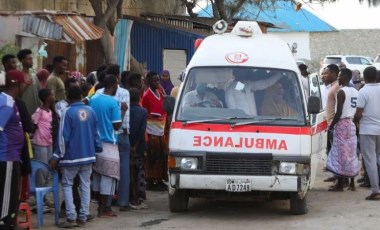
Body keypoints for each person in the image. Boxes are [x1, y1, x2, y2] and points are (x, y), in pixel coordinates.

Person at [50, 85, 101, 227]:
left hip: (72, 156)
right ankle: (83, 216)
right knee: (85, 185)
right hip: (88, 155)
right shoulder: (91, 111)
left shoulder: (67, 112)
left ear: (67, 96)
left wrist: (56, 156)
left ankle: (71, 217)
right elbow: (97, 133)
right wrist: (96, 150)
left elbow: (62, 137)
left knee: (67, 184)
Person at [97, 64, 130, 212]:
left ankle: (105, 203)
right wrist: (122, 113)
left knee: (102, 172)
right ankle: (122, 202)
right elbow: (121, 121)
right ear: (117, 78)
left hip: (98, 138)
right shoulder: (123, 93)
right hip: (118, 135)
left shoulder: (97, 93)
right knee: (120, 171)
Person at [89, 75, 122, 217]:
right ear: (114, 86)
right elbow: (116, 125)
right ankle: (103, 209)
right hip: (108, 143)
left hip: (93, 142)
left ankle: (99, 206)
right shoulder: (113, 103)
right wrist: (123, 110)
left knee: (97, 174)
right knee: (108, 176)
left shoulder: (93, 99)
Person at [326, 68, 359, 191]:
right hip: (351, 124)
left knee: (340, 154)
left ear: (345, 77)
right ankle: (352, 183)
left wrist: (332, 125)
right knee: (351, 153)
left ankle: (340, 184)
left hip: (341, 124)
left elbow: (338, 112)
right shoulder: (356, 91)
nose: (338, 78)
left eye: (340, 76)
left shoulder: (341, 92)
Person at [0, 70, 25, 229]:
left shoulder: (8, 101)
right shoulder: (6, 103)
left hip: (11, 155)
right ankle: (5, 224)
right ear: (18, 84)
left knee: (8, 194)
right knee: (6, 198)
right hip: (6, 155)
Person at [353, 66, 380, 200]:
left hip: (367, 130)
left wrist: (355, 122)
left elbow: (358, 113)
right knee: (378, 158)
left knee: (370, 160)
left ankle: (375, 190)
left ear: (365, 77)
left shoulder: (363, 92)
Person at [142, 71, 168, 190]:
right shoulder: (146, 95)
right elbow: (145, 112)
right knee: (153, 156)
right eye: (154, 80)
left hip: (161, 129)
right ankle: (151, 180)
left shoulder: (159, 93)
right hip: (151, 130)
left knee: (162, 155)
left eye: (158, 80)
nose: (157, 82)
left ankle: (160, 178)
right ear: (148, 82)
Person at [128, 88, 148, 209]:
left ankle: (130, 196)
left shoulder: (125, 110)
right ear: (139, 98)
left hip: (127, 145)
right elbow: (142, 131)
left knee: (129, 172)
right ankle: (139, 197)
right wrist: (136, 145)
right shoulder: (143, 112)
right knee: (140, 172)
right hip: (139, 146)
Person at [322, 64, 341, 182]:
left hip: (334, 123)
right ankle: (334, 173)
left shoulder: (337, 87)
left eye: (326, 73)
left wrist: (333, 124)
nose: (324, 76)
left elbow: (339, 108)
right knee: (330, 149)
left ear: (334, 73)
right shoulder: (329, 87)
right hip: (327, 121)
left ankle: (339, 177)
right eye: (323, 73)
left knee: (335, 150)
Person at [32, 89, 55, 164]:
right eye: (52, 95)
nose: (54, 97)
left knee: (48, 163)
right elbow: (34, 125)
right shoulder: (39, 111)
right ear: (47, 98)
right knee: (42, 164)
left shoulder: (50, 111)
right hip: (40, 142)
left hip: (48, 141)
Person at [18, 49, 41, 116]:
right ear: (22, 60)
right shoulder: (19, 76)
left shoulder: (34, 77)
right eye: (29, 59)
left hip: (35, 114)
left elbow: (39, 95)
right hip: (23, 113)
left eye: (32, 59)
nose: (32, 61)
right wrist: (26, 85)